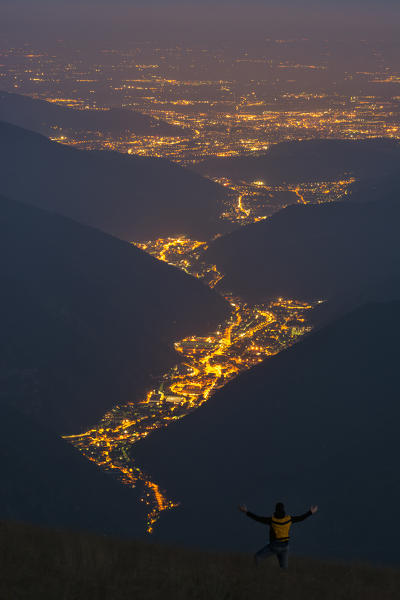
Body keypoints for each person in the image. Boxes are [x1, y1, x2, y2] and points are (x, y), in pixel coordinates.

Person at [238, 502, 318, 569]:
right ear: (284, 510)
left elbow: (258, 518)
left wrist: (246, 512)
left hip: (274, 546)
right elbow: (301, 518)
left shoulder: (272, 520)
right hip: (285, 547)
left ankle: (256, 573)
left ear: (275, 510)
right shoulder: (289, 519)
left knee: (257, 557)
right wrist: (310, 512)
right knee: (284, 570)